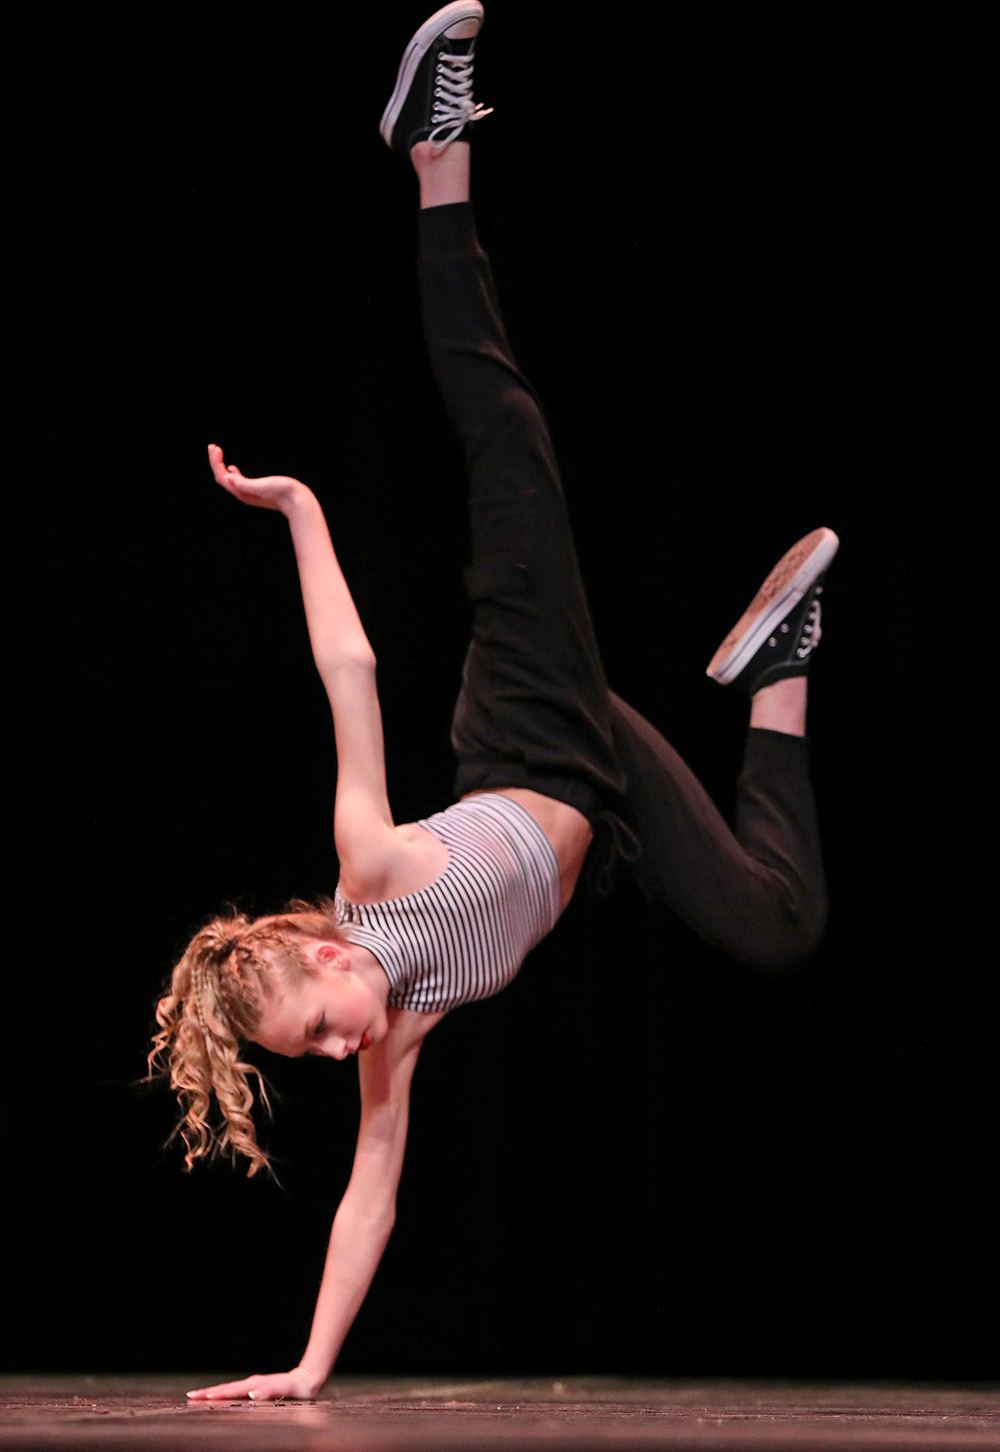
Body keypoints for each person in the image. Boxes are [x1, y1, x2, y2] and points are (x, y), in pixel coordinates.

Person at [156, 0, 836, 1402]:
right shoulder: (390, 1036)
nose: (347, 1041)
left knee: (507, 435)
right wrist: (303, 1368)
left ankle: (435, 153)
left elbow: (350, 674)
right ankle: (777, 672)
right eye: (321, 1051)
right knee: (780, 927)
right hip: (599, 792)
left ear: (314, 938)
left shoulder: (372, 872)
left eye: (324, 1012)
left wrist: (299, 515)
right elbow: (370, 1200)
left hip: (529, 726)